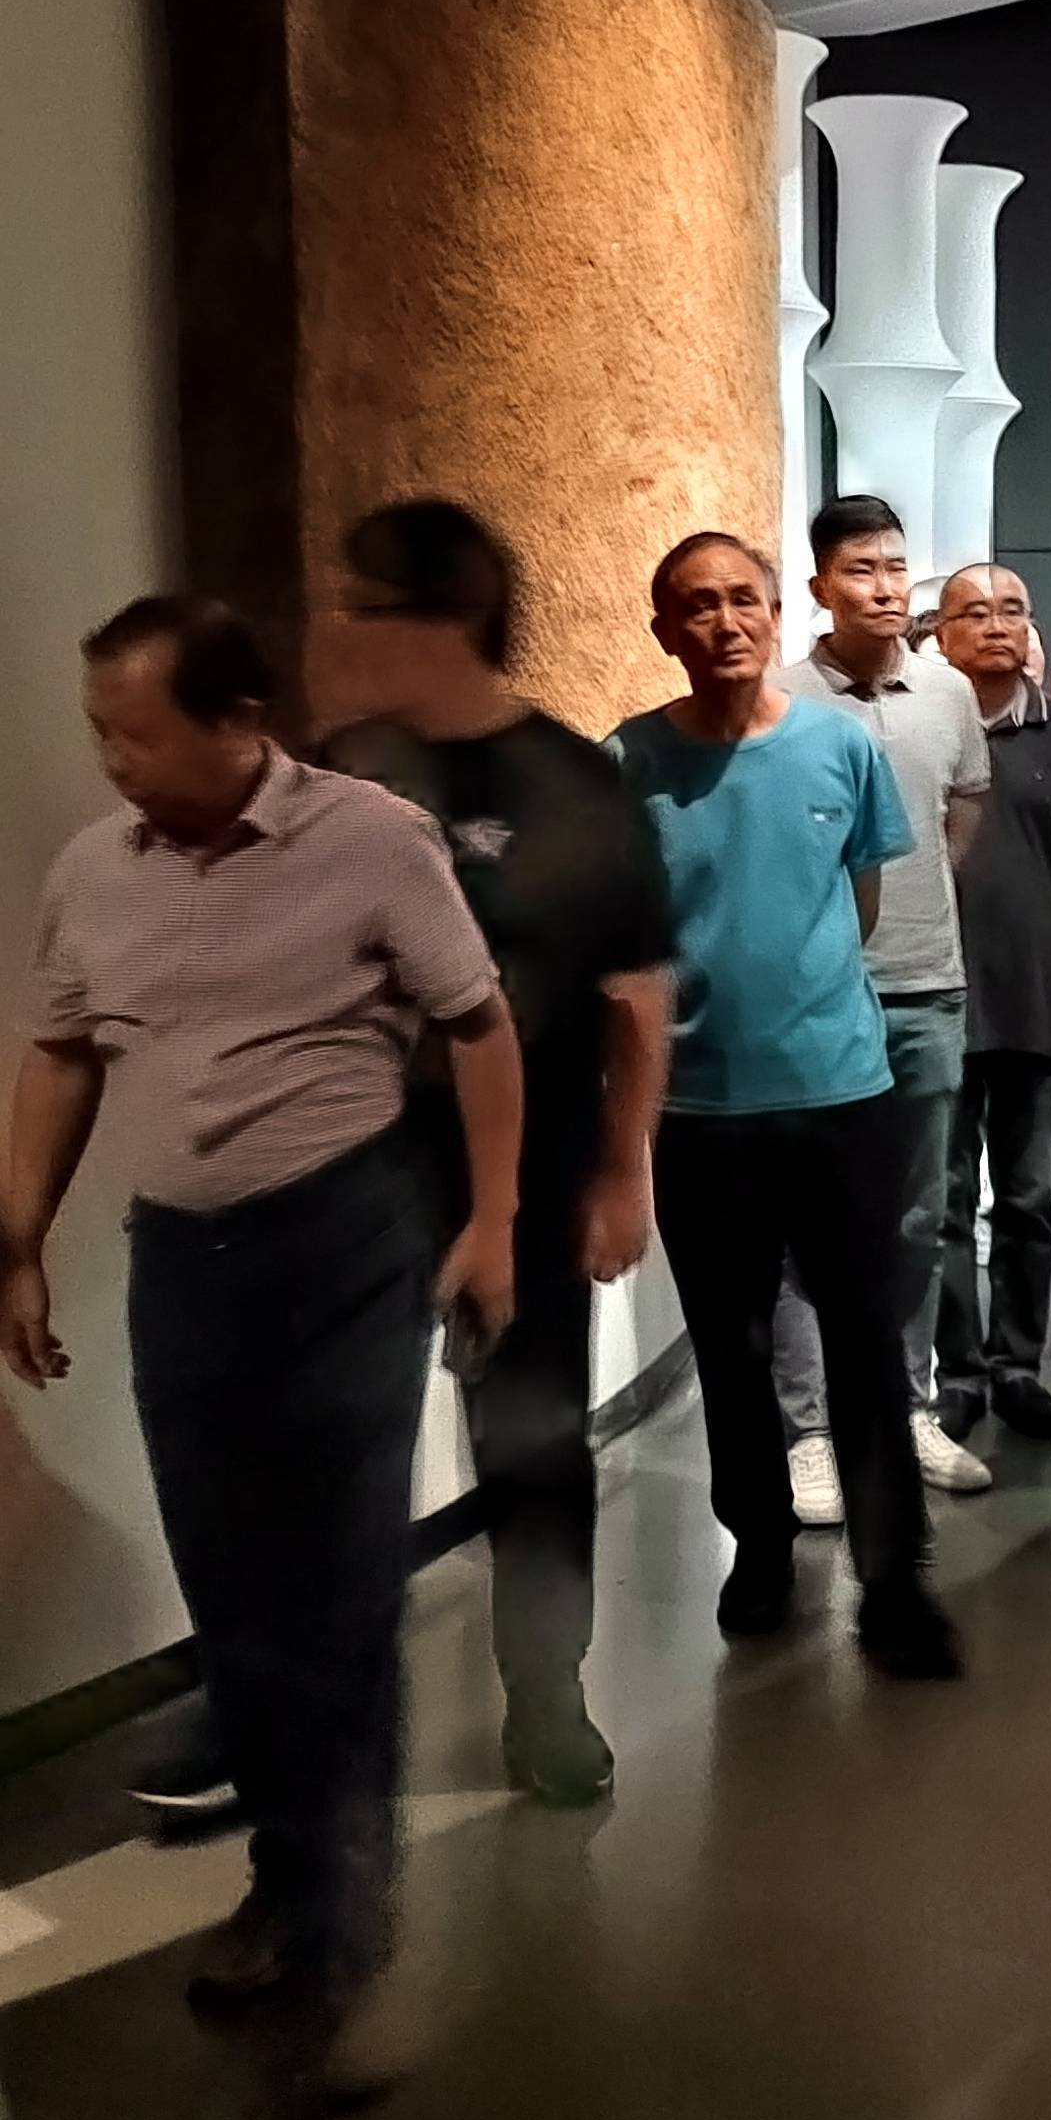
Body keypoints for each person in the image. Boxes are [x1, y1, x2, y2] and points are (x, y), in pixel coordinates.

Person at [2, 596, 522, 2057]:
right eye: (98, 733)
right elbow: (59, 1052)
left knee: (338, 1589)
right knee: (231, 1588)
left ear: (239, 721)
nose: (112, 763)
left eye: (137, 735)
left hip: (342, 1245)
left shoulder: (372, 839)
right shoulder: (94, 870)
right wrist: (19, 1241)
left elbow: (479, 1024)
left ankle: (343, 1911)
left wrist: (490, 1219)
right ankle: (290, 1876)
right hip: (184, 1261)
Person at [321, 502, 672, 1807]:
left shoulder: (572, 784)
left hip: (534, 1161)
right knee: (340, 1443)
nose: (343, 630)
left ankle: (547, 1698)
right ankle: (325, 1722)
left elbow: (636, 997)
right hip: (359, 1161)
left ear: (445, 614)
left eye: (365, 605)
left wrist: (623, 1170)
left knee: (530, 1438)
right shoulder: (344, 773)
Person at [612, 534, 959, 1676]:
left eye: (742, 600)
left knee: (863, 1342)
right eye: (697, 605)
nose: (724, 621)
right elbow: (628, 944)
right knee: (732, 1345)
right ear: (665, 629)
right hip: (702, 1112)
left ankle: (894, 1580)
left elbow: (858, 904)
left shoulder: (837, 745)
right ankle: (758, 1545)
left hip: (840, 1096)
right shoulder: (629, 762)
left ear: (773, 615)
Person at [772, 496, 995, 1503]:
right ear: (820, 585)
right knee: (804, 1223)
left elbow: (962, 815)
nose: (883, 586)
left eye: (896, 566)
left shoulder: (947, 692)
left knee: (920, 1214)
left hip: (926, 987)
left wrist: (915, 904)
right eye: (860, 569)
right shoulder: (781, 699)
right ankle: (810, 1429)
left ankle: (906, 1406)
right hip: (813, 999)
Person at [930, 561, 1051, 1446]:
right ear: (940, 632)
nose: (995, 625)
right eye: (975, 612)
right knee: (944, 1202)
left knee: (1026, 1199)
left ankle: (1016, 1364)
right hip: (936, 1002)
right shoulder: (922, 730)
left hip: (1037, 1001)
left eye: (1012, 610)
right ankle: (957, 1371)